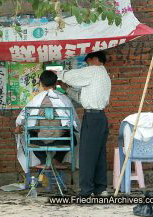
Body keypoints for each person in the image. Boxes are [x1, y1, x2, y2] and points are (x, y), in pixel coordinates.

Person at [57, 51, 111, 197]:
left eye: (87, 63)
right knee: (99, 155)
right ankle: (100, 188)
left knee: (87, 155)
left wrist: (57, 74)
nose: (87, 66)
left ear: (94, 59)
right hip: (101, 118)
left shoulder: (94, 70)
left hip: (92, 119)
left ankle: (87, 191)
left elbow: (72, 76)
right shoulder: (104, 75)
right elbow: (83, 97)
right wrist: (65, 88)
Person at [15, 70, 79, 166]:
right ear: (56, 82)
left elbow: (22, 118)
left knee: (28, 135)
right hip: (60, 140)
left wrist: (19, 126)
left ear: (41, 83)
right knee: (73, 137)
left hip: (40, 141)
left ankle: (44, 160)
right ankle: (57, 159)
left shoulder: (35, 100)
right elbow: (74, 121)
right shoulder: (64, 99)